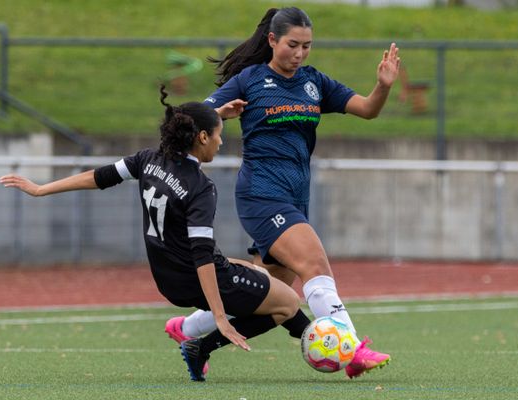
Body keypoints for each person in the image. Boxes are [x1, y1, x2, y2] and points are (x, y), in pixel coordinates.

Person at [0, 86, 312, 383]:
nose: (221, 142)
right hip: (195, 274)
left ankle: (321, 338)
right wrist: (219, 316)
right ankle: (203, 347)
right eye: (219, 135)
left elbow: (101, 176)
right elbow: (202, 254)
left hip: (166, 278)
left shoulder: (149, 160)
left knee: (254, 272)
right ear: (202, 137)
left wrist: (42, 189)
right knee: (287, 301)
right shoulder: (201, 188)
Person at [169, 6, 400, 379]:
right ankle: (353, 349)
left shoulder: (315, 82)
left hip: (295, 196)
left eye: (307, 46)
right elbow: (191, 117)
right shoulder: (250, 79)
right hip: (261, 193)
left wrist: (383, 87)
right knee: (315, 265)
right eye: (293, 44)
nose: (300, 53)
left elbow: (368, 110)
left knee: (270, 297)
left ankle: (191, 331)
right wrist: (223, 113)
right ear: (273, 40)